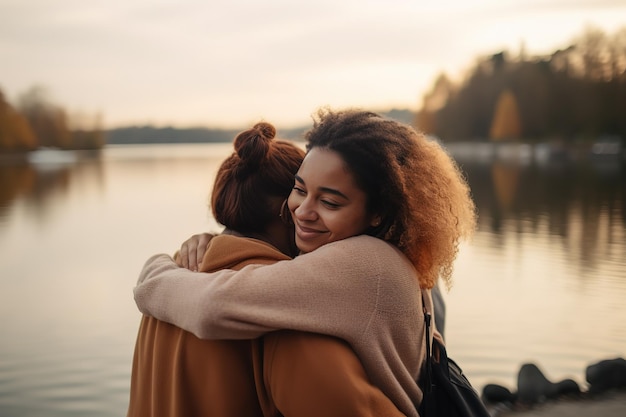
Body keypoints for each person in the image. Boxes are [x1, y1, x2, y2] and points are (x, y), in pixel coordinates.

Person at [134, 108, 476, 417]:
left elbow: (211, 305)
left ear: (377, 213)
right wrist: (213, 243)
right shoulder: (390, 252)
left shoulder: (364, 263)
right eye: (299, 189)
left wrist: (159, 269)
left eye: (329, 201)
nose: (302, 211)